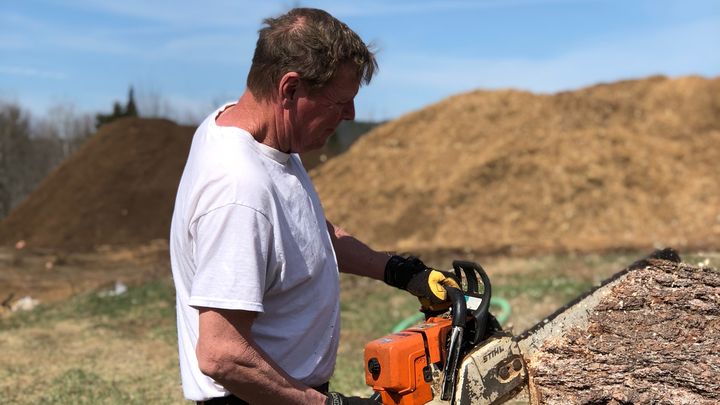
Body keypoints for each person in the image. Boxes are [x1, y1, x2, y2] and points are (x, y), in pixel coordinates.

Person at [169, 8, 458, 405]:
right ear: (289, 90)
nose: (350, 115)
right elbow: (222, 355)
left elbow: (308, 233)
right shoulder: (239, 189)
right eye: (340, 102)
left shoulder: (267, 140)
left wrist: (401, 272)